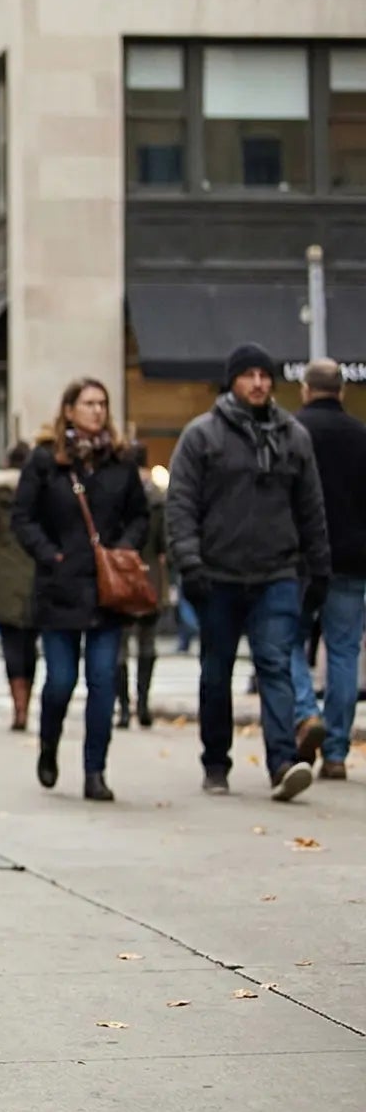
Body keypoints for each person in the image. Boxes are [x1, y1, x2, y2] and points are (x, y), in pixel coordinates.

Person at [167, 342, 331, 801]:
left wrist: (319, 567)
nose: (258, 383)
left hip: (276, 573)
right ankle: (215, 761)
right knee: (215, 672)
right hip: (217, 575)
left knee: (275, 667)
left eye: (264, 375)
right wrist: (190, 561)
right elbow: (181, 505)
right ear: (232, 381)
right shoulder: (202, 436)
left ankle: (283, 762)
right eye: (248, 375)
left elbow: (311, 508)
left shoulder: (293, 436)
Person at [11, 379, 151, 801]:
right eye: (88, 403)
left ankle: (95, 770)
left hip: (108, 589)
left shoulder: (121, 461)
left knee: (104, 680)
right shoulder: (45, 461)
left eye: (103, 404)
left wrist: (123, 549)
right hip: (60, 586)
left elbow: (140, 517)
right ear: (69, 410)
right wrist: (50, 555)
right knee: (60, 681)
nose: (97, 411)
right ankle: (49, 745)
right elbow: (24, 518)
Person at [288, 358, 364, 780]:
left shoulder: (291, 432)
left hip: (299, 557)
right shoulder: (361, 436)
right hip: (352, 558)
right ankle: (335, 750)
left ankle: (304, 711)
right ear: (342, 391)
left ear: (305, 389)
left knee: (286, 641)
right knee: (343, 651)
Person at [0, 442, 38, 732]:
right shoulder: (40, 495)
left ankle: (19, 706)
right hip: (36, 576)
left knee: (11, 644)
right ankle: (26, 701)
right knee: (30, 645)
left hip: (4, 576)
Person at [115, 442, 168, 730]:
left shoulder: (120, 492)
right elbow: (164, 541)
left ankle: (123, 707)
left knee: (120, 645)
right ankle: (143, 703)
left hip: (122, 572)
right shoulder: (157, 496)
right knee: (147, 642)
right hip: (150, 575)